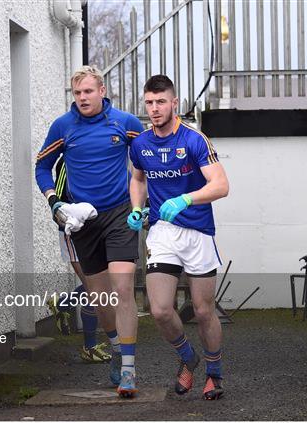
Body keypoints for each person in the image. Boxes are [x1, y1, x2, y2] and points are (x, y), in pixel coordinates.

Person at [35, 65, 144, 397]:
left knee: (123, 288)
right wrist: (55, 203)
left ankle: (128, 369)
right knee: (100, 296)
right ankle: (114, 345)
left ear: (102, 90)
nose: (82, 98)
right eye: (77, 93)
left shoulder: (125, 123)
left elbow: (146, 163)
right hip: (83, 220)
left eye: (88, 91)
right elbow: (41, 166)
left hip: (120, 215)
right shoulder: (63, 127)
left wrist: (145, 202)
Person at [127, 75, 229, 400]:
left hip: (197, 231)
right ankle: (188, 357)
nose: (154, 109)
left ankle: (214, 373)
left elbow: (221, 185)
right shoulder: (140, 144)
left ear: (174, 103)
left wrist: (186, 199)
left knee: (202, 310)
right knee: (159, 310)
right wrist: (136, 208)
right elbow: (138, 179)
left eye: (160, 102)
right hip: (162, 232)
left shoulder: (195, 140)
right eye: (149, 103)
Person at [46, 155, 111, 364]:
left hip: (98, 228)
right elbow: (56, 200)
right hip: (74, 231)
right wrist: (66, 220)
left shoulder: (99, 157)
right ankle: (89, 347)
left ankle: (63, 303)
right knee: (93, 287)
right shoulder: (66, 161)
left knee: (103, 284)